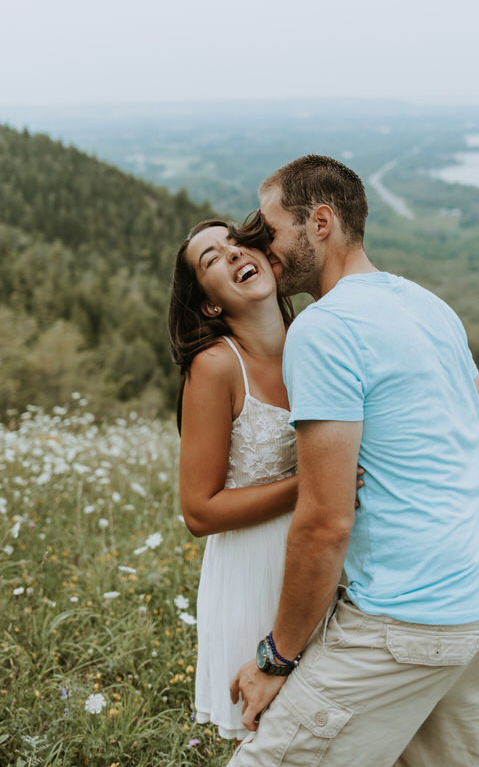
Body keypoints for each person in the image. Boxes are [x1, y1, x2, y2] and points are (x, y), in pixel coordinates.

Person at [229, 155, 479, 767]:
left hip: (409, 619)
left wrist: (275, 658)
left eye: (270, 228)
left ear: (319, 222)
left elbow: (324, 523)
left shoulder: (323, 330)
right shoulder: (425, 303)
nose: (261, 246)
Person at [168, 217, 298, 744]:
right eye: (211, 259)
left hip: (325, 564)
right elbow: (199, 513)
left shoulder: (315, 340)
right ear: (210, 305)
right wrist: (311, 483)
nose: (231, 254)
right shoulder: (216, 367)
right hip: (253, 577)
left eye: (235, 244)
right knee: (274, 743)